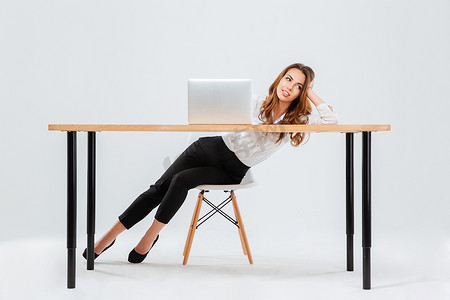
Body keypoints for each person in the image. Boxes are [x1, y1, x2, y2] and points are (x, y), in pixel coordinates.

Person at [82, 63, 338, 263]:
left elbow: (331, 122)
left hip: (232, 169)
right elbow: (216, 113)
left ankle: (150, 237)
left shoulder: (297, 121)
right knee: (158, 188)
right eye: (288, 79)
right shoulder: (255, 101)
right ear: (280, 79)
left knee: (181, 181)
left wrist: (312, 91)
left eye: (298, 86)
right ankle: (107, 238)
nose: (290, 86)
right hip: (208, 147)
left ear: (302, 91)